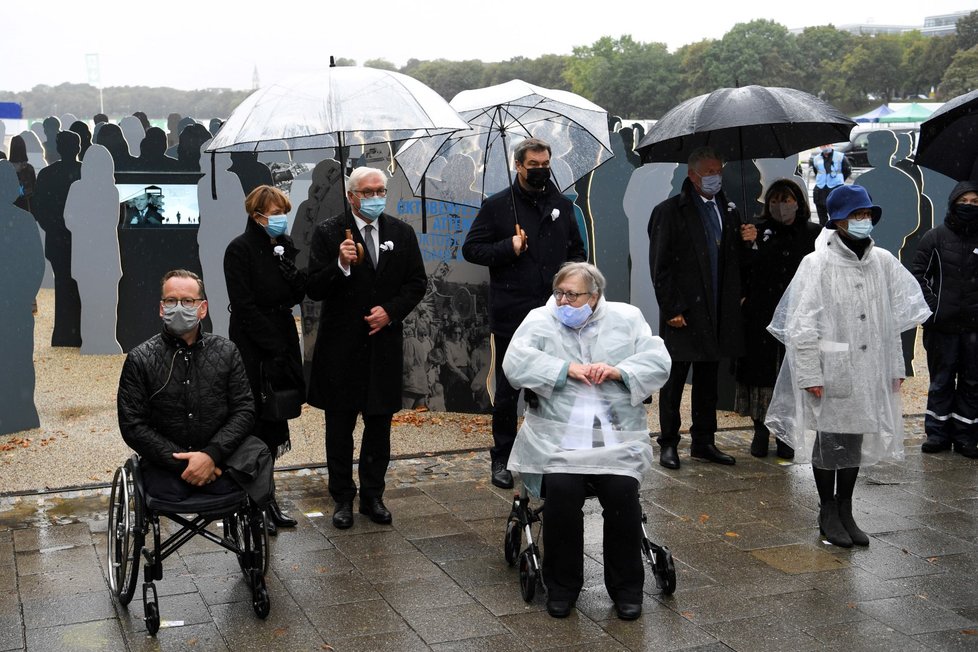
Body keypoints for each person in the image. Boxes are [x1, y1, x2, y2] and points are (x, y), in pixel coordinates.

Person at [765, 185, 930, 548]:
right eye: (856, 215)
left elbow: (892, 320)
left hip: (868, 366)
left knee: (854, 436)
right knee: (829, 438)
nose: (863, 221)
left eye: (867, 215)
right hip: (831, 366)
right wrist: (809, 373)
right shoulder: (817, 263)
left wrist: (894, 367)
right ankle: (827, 511)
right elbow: (801, 323)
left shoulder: (882, 261)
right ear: (838, 220)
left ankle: (846, 508)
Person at [504, 262, 671, 620]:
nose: (563, 301)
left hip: (616, 439)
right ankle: (562, 586)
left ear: (594, 296)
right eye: (559, 293)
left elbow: (659, 361)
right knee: (562, 495)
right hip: (558, 440)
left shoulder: (626, 318)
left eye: (573, 295)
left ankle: (627, 588)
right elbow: (514, 363)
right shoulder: (540, 319)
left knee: (621, 494)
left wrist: (620, 371)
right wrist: (563, 370)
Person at [461, 137, 586, 489]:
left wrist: (571, 282)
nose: (541, 172)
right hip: (512, 312)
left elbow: (577, 251)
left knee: (551, 384)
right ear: (518, 166)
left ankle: (549, 451)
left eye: (546, 166)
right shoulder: (498, 206)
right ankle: (501, 456)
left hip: (555, 313)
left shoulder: (560, 204)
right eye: (534, 166)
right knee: (508, 388)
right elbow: (472, 248)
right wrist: (508, 247)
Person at [306, 167, 426, 529]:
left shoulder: (400, 233)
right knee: (339, 428)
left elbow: (416, 282)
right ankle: (342, 496)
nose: (375, 196)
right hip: (341, 347)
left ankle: (373, 495)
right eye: (368, 191)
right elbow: (314, 287)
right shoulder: (329, 233)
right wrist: (340, 264)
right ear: (351, 196)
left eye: (380, 190)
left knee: (379, 426)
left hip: (382, 345)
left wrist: (390, 312)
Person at [117, 270, 272, 505]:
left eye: (187, 301)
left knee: (257, 455)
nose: (179, 307)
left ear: (202, 308)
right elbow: (133, 425)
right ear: (161, 308)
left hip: (222, 462)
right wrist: (186, 463)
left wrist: (211, 455)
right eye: (171, 300)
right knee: (163, 491)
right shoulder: (140, 359)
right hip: (166, 467)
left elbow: (244, 410)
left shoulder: (227, 352)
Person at [648, 146, 755, 469]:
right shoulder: (669, 211)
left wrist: (747, 241)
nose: (715, 177)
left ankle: (704, 440)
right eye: (708, 172)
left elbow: (734, 259)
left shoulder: (729, 209)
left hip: (716, 310)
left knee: (708, 379)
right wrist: (671, 308)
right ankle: (669, 442)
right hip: (685, 310)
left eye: (718, 171)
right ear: (692, 176)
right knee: (675, 380)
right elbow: (660, 265)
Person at [224, 185, 308, 534]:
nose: (281, 219)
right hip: (253, 342)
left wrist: (293, 275)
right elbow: (243, 305)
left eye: (283, 211)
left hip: (282, 334)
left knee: (275, 417)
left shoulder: (283, 246)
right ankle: (251, 500)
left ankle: (268, 497)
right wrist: (272, 347)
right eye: (275, 213)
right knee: (255, 418)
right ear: (257, 215)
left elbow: (294, 294)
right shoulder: (239, 250)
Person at [736, 179, 820, 458]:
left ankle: (787, 432)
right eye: (775, 201)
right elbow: (742, 270)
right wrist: (747, 245)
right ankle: (761, 429)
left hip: (799, 313)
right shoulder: (756, 231)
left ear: (798, 202)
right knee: (762, 375)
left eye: (787, 200)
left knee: (792, 373)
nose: (781, 207)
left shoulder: (814, 234)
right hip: (761, 314)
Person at [910, 181, 978, 458]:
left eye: (975, 203)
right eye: (965, 202)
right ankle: (937, 433)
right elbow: (917, 274)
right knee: (941, 380)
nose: (970, 207)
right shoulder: (935, 237)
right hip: (942, 326)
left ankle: (966, 435)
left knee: (973, 382)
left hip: (975, 326)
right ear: (953, 203)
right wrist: (933, 308)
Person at [809, 144, 852, 226]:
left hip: (835, 189)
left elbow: (847, 171)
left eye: (827, 145)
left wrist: (838, 181)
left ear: (831, 145)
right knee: (822, 220)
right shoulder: (816, 158)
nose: (825, 147)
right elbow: (816, 171)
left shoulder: (840, 157)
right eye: (823, 145)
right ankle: (823, 235)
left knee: (836, 218)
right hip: (820, 191)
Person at [8, 135, 36, 213]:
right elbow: (33, 191)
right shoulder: (29, 169)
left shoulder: (7, 168)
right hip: (26, 207)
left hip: (10, 207)